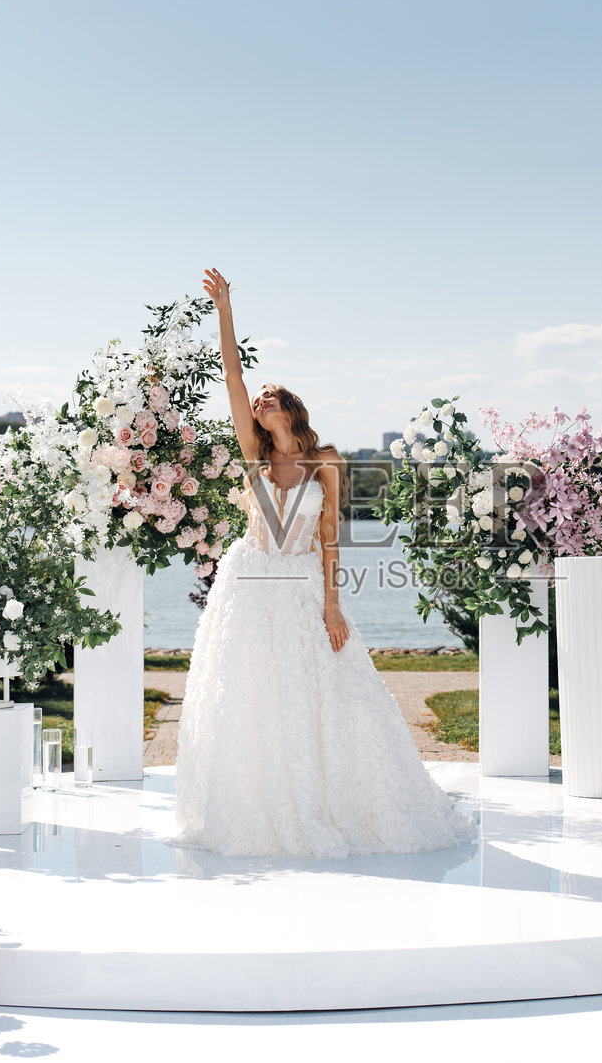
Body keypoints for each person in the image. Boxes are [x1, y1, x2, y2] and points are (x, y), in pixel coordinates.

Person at [171, 268, 476, 858]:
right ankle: (258, 803)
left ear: (291, 407)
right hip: (250, 582)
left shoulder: (327, 461)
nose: (260, 400)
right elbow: (232, 374)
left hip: (303, 585)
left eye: (270, 395)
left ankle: (333, 799)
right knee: (253, 692)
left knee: (323, 692)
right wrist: (224, 309)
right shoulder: (254, 454)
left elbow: (330, 540)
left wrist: (333, 607)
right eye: (257, 399)